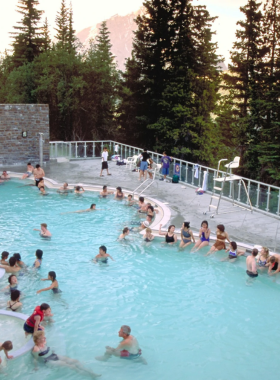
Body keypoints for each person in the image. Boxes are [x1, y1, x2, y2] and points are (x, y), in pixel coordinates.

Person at [32, 331, 101, 378]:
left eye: (44, 337)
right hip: (48, 361)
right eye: (42, 338)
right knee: (71, 366)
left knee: (75, 361)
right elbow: (35, 359)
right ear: (37, 340)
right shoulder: (36, 349)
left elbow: (49, 349)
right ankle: (88, 376)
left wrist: (52, 351)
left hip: (54, 355)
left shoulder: (44, 342)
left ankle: (92, 373)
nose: (44, 338)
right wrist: (36, 367)